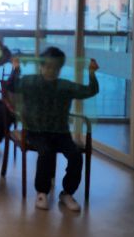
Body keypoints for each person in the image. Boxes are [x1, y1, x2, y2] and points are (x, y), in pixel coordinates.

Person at [7, 47, 99, 212]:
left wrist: (92, 73)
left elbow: (90, 90)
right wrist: (16, 68)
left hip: (61, 133)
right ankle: (42, 192)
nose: (51, 71)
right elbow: (12, 86)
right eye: (48, 67)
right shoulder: (30, 82)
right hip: (35, 132)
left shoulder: (65, 86)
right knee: (46, 152)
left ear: (60, 69)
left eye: (56, 68)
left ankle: (67, 193)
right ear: (41, 66)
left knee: (75, 155)